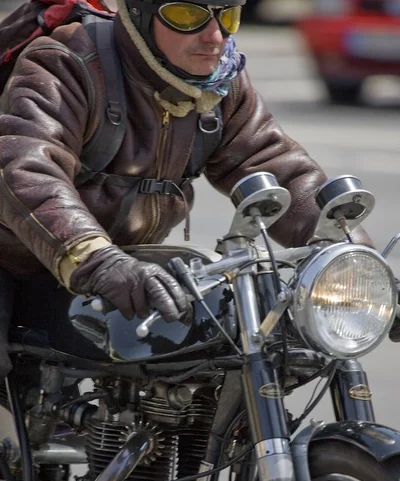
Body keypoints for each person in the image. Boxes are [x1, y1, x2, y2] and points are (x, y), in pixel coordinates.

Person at [0, 0, 374, 377]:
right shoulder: (69, 60)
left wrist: (359, 264)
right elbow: (26, 168)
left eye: (227, 16)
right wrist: (97, 259)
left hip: (122, 265)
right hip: (19, 259)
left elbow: (280, 167)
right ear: (141, 15)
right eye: (187, 15)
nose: (214, 36)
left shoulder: (219, 84)